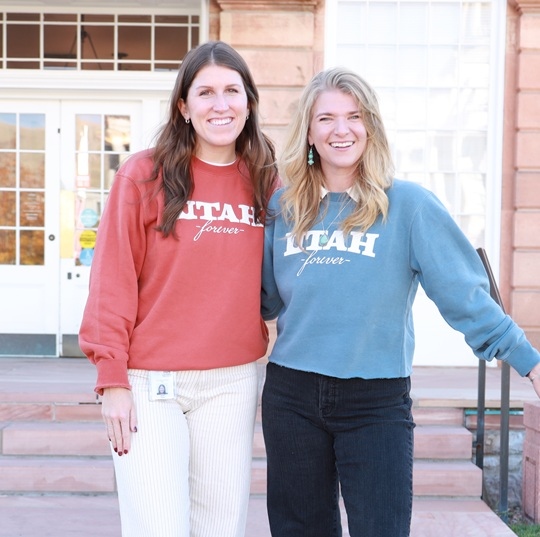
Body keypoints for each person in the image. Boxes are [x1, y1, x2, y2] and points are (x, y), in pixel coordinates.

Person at [260, 66, 540, 537]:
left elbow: (464, 294)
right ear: (308, 131)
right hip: (292, 396)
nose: (341, 129)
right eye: (326, 118)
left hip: (375, 399)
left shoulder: (407, 205)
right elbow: (261, 300)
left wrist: (529, 363)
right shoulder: (282, 209)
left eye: (354, 116)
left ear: (371, 127)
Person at [79, 40, 278, 537]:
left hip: (231, 380)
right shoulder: (144, 174)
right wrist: (112, 380)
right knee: (157, 525)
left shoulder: (268, 182)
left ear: (248, 102)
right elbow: (112, 279)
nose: (221, 104)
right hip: (149, 382)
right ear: (184, 107)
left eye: (232, 90)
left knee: (220, 526)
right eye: (206, 92)